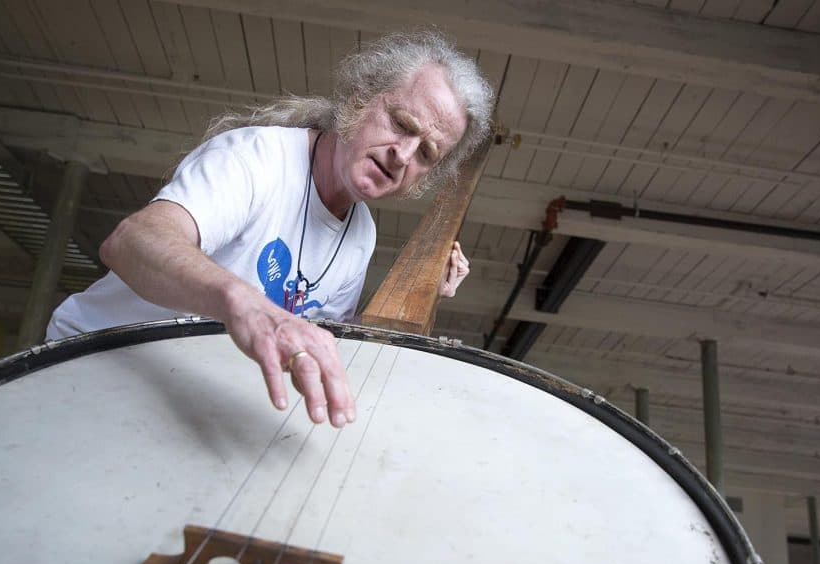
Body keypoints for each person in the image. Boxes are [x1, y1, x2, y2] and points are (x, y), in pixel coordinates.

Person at [45, 31, 495, 429]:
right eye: (402, 124)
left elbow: (320, 337)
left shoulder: (361, 236)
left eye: (426, 154)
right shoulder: (256, 159)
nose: (403, 154)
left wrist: (422, 294)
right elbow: (131, 242)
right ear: (361, 98)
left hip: (181, 407)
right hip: (87, 370)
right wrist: (243, 303)